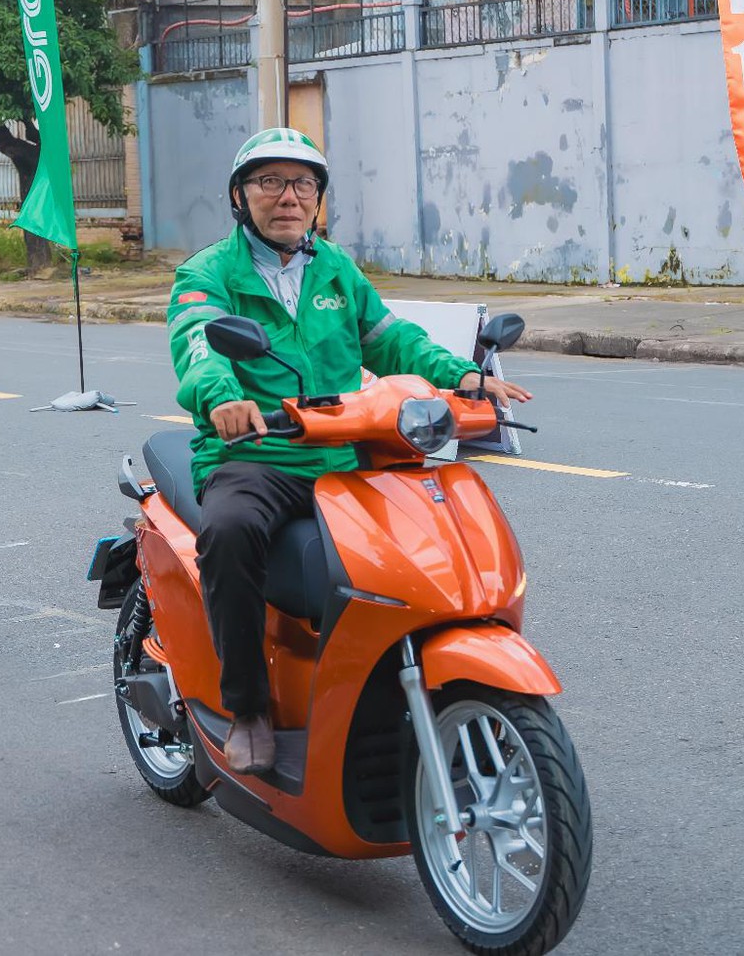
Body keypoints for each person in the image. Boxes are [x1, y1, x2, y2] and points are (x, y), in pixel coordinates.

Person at [166, 129, 533, 774]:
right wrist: (223, 398)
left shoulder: (337, 269)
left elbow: (395, 342)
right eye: (269, 182)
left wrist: (462, 375)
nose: (288, 197)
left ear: (318, 199)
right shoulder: (209, 272)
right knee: (228, 532)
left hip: (343, 452)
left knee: (418, 543)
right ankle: (248, 707)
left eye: (303, 184)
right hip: (260, 455)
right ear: (239, 195)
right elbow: (199, 342)